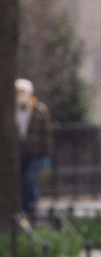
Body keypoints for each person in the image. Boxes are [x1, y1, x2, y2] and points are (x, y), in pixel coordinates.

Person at [15, 78, 53, 220]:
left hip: (36, 153)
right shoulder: (12, 110)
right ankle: (21, 210)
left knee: (30, 179)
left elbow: (47, 134)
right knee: (19, 181)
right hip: (19, 154)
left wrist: (46, 155)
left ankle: (31, 209)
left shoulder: (39, 110)